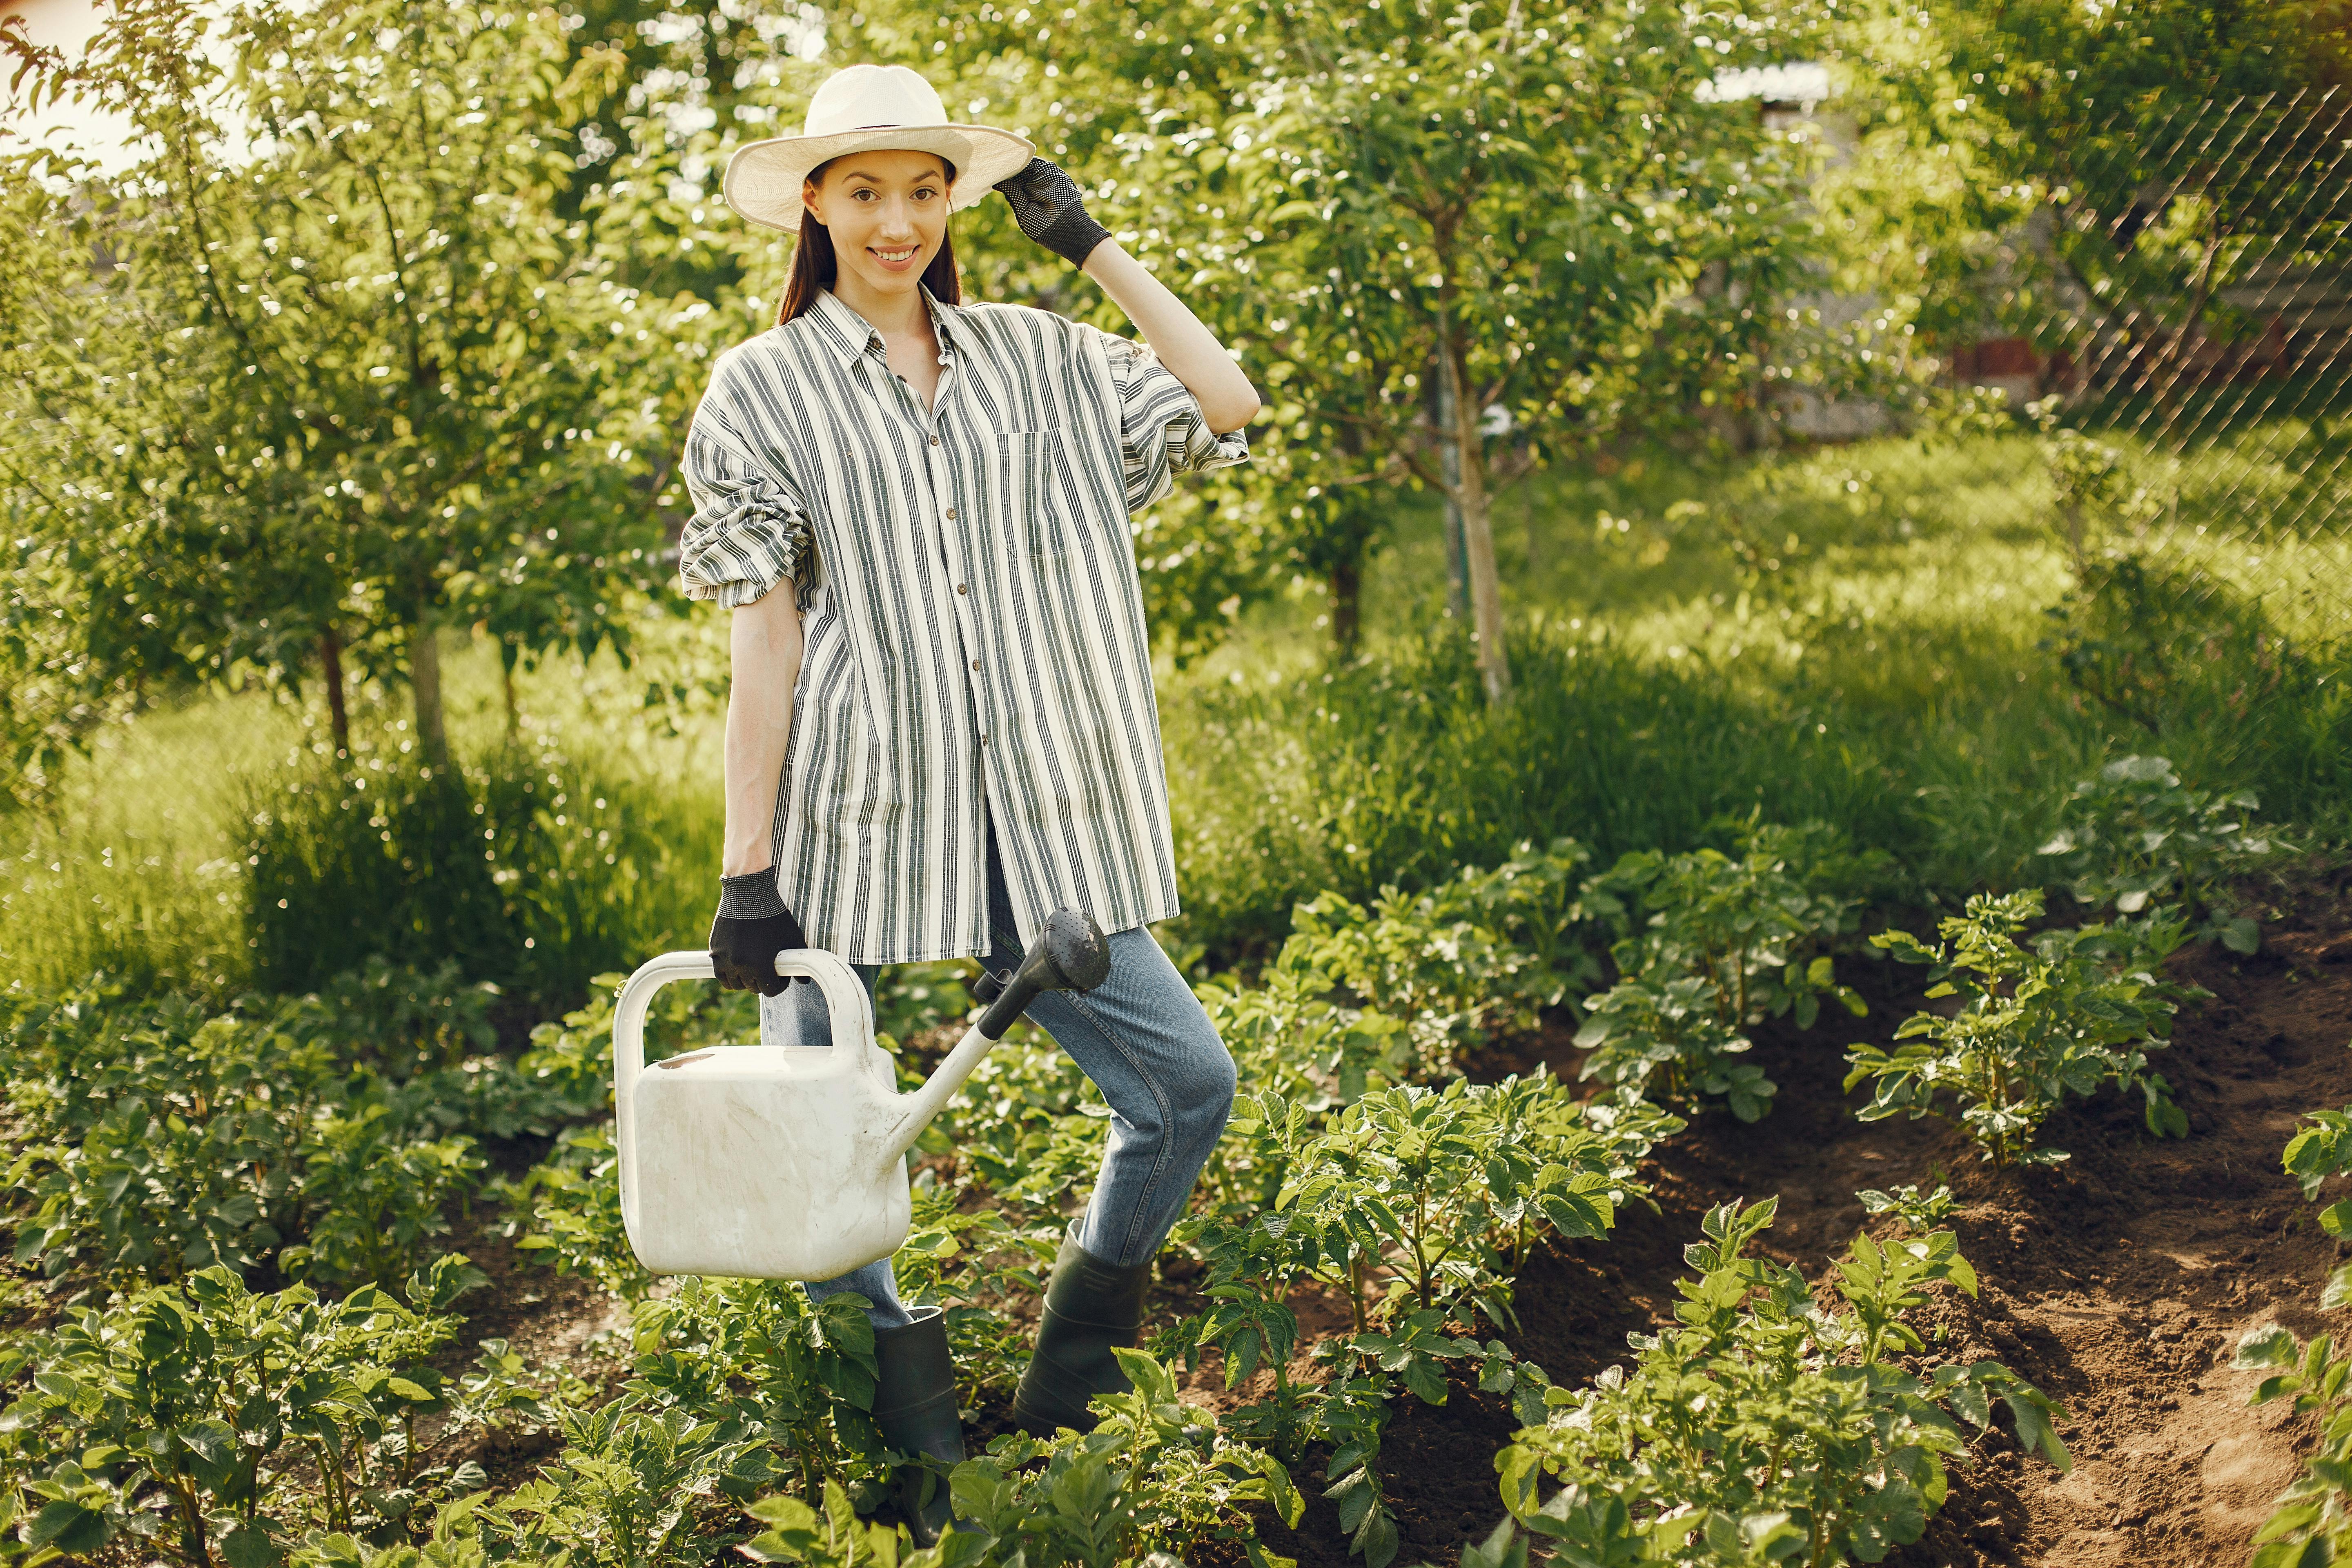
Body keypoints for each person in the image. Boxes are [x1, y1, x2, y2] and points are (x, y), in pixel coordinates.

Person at [676, 62, 1258, 1543]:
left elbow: (1224, 401)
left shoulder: (1035, 355)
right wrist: (750, 873)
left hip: (1040, 824)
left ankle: (1062, 1389)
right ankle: (916, 1438)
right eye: (865, 192)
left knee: (1186, 1088)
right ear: (813, 202)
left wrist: (1094, 245)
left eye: (925, 190)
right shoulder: (764, 385)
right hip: (853, 819)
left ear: (959, 200)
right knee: (822, 1144)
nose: (898, 222)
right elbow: (766, 636)